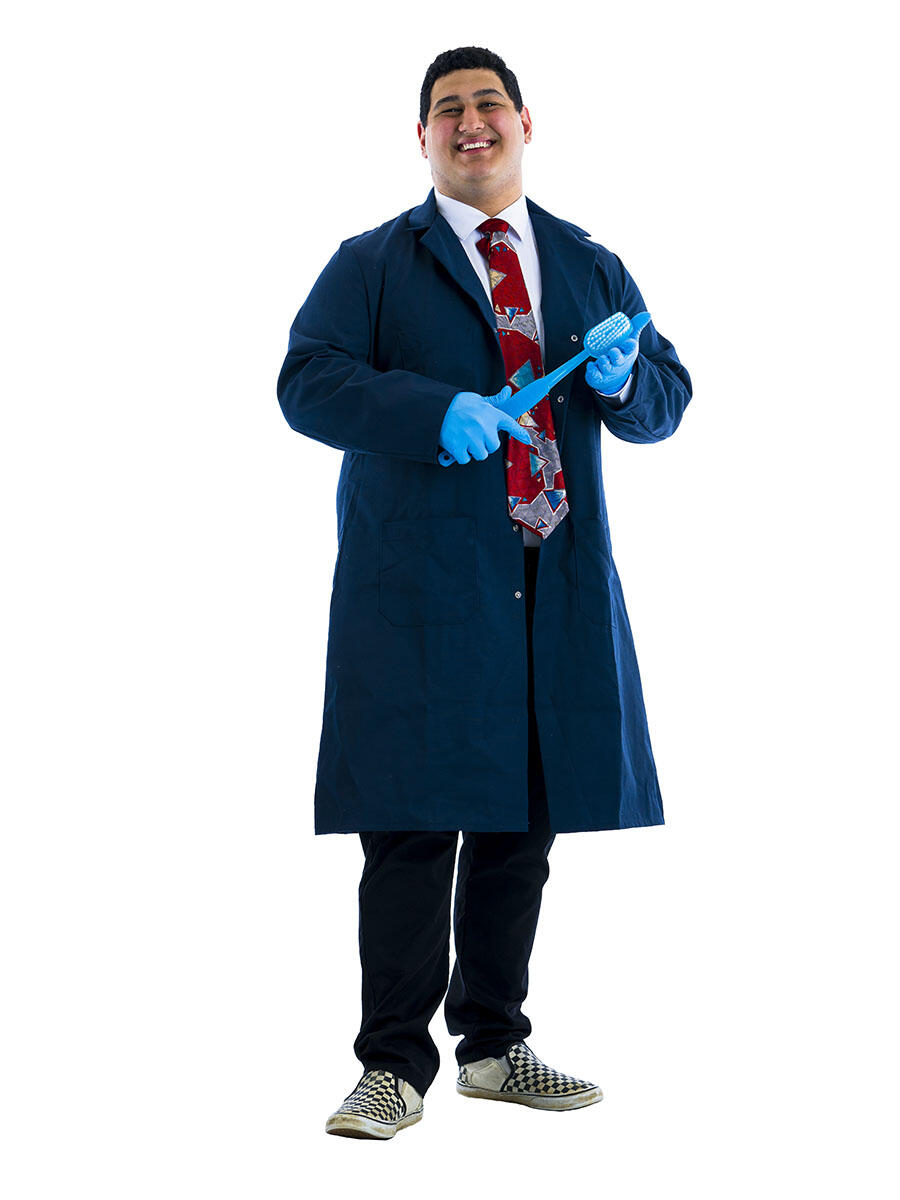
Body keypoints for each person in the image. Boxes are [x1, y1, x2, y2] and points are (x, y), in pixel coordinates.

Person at [276, 45, 692, 1140]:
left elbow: (665, 397)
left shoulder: (587, 265)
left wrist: (623, 381)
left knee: (523, 824)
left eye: (488, 104)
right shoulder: (372, 264)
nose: (472, 123)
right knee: (412, 825)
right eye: (448, 110)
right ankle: (393, 1068)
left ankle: (497, 1047)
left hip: (548, 580)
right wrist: (431, 411)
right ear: (421, 139)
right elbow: (307, 379)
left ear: (524, 123)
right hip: (420, 585)